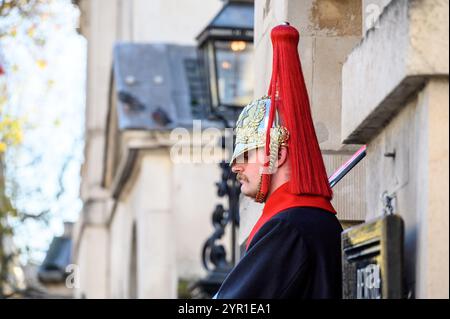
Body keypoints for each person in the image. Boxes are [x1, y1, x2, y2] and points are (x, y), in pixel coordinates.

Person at [213, 23, 343, 299]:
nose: (236, 167)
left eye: (246, 155)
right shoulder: (310, 218)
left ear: (279, 155)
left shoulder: (288, 226)